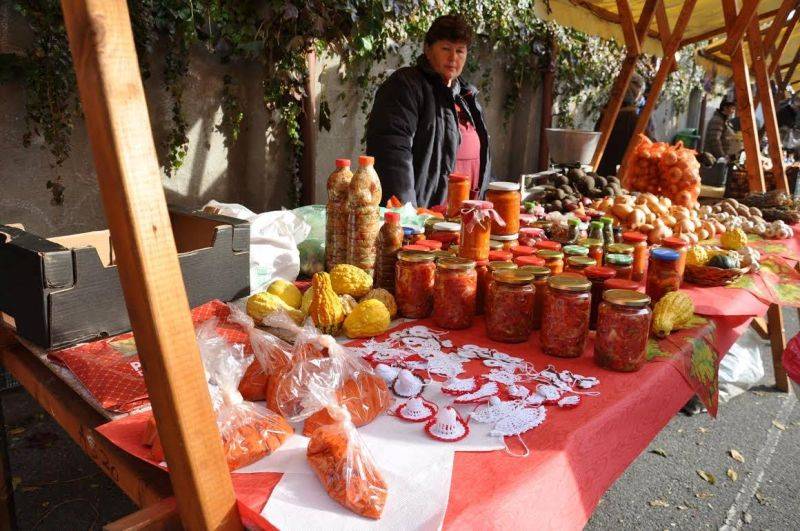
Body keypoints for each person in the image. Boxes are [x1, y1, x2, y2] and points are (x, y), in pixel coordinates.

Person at [365, 14, 492, 207]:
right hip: (426, 219)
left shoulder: (466, 95)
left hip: (465, 219)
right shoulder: (406, 86)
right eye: (446, 48)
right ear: (427, 48)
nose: (453, 57)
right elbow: (392, 152)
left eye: (460, 51)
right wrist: (408, 216)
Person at [595, 73, 654, 177]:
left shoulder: (606, 114)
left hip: (601, 172)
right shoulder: (634, 119)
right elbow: (651, 147)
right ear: (638, 94)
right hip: (623, 176)